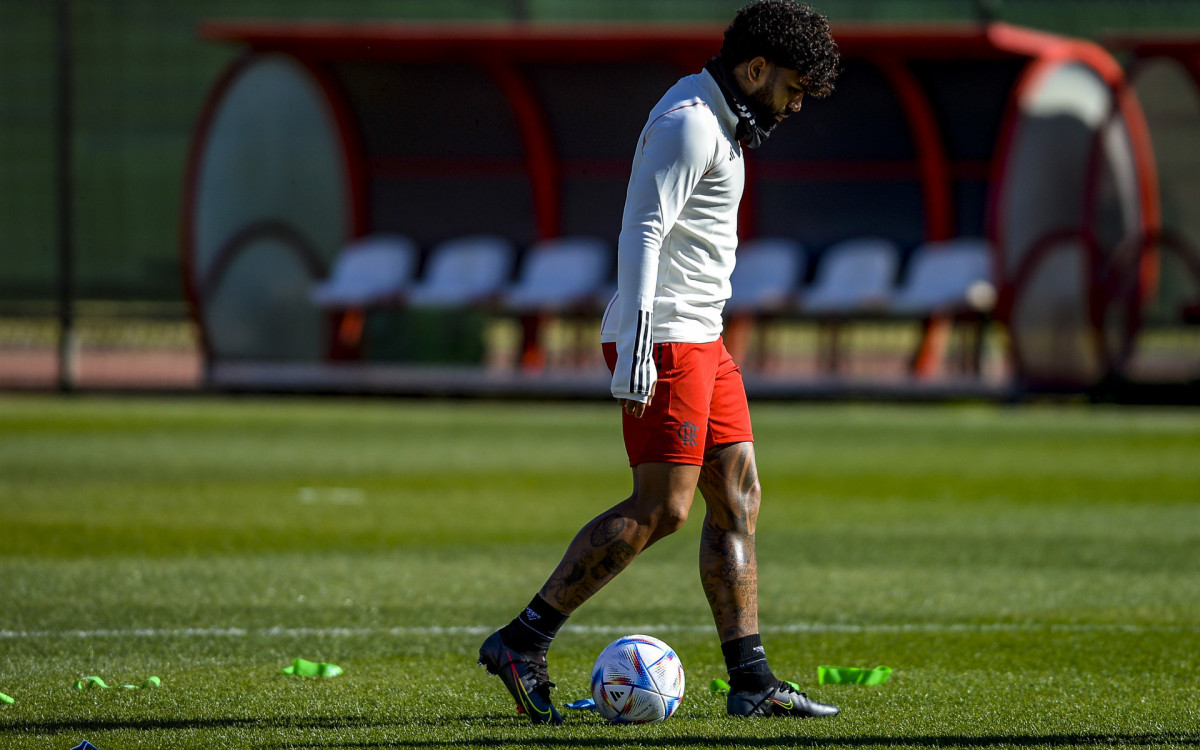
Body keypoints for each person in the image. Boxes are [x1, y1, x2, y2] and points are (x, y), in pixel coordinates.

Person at [478, 0, 840, 724]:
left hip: (703, 337)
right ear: (756, 67)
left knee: (737, 497)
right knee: (664, 509)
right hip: (667, 336)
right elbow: (642, 229)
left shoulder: (725, 120)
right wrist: (639, 340)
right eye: (793, 87)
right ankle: (522, 641)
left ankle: (751, 680)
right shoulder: (690, 123)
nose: (796, 103)